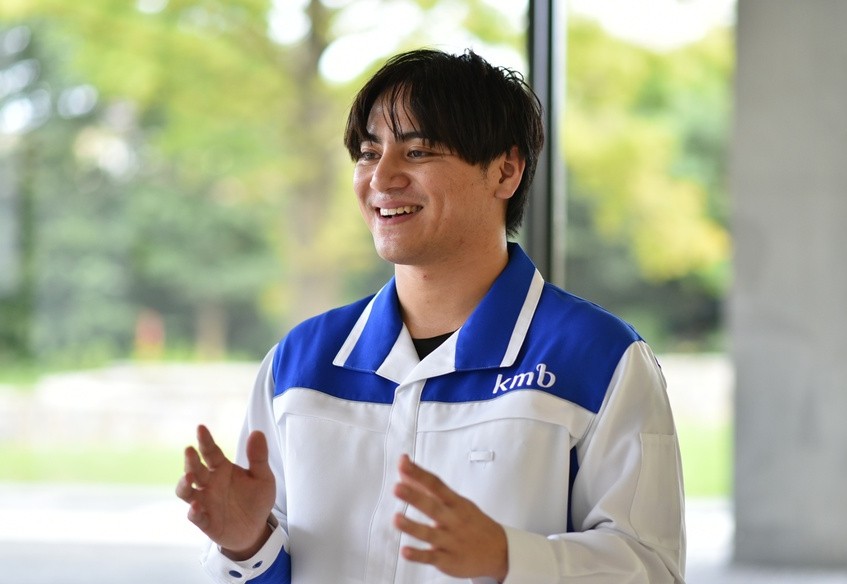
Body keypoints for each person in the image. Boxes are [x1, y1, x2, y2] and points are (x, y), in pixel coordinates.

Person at [176, 48, 686, 584]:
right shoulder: (299, 363)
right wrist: (246, 544)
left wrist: (509, 558)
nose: (382, 178)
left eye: (417, 152)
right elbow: (262, 568)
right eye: (369, 153)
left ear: (505, 171)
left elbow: (652, 568)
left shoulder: (600, 358)